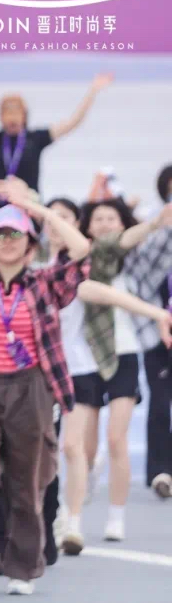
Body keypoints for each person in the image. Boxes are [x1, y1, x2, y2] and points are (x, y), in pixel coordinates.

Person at [0, 182, 91, 600]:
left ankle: (23, 566)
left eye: (16, 233)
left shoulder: (45, 282)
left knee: (27, 481)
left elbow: (81, 251)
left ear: (32, 245)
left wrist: (37, 209)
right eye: (0, 233)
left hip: (31, 387)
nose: (8, 240)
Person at [55, 198, 172, 553]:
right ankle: (77, 503)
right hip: (85, 358)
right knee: (83, 446)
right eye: (99, 219)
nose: (105, 224)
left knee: (117, 438)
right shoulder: (79, 261)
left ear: (122, 223)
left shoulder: (133, 263)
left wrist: (154, 224)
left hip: (124, 353)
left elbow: (132, 242)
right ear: (87, 226)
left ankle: (115, 518)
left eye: (112, 218)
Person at [0, 70, 113, 194]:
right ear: (1, 117)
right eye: (7, 114)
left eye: (16, 113)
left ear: (24, 115)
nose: (12, 119)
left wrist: (93, 91)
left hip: (29, 205)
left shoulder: (37, 138)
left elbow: (72, 123)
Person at [122, 174, 172, 499]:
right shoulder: (156, 230)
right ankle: (160, 472)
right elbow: (138, 273)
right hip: (157, 330)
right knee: (161, 401)